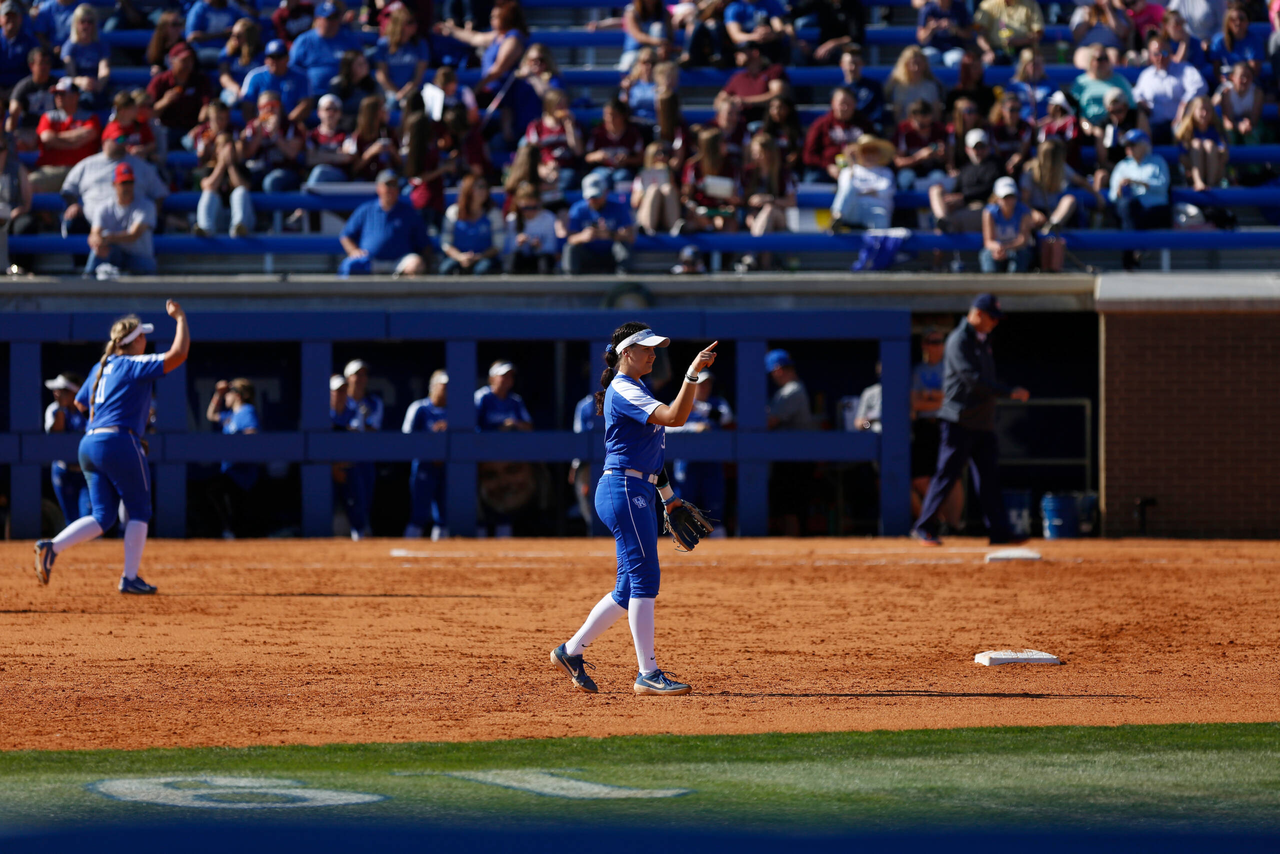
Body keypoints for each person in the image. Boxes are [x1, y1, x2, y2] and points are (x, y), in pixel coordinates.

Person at [550, 323, 718, 696]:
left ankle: (570, 651)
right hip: (624, 488)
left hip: (634, 486)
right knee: (645, 579)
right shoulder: (624, 388)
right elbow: (676, 418)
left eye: (655, 349)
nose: (653, 354)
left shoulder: (636, 388)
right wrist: (691, 375)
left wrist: (670, 497)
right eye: (647, 349)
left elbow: (651, 459)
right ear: (627, 353)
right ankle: (648, 673)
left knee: (628, 588)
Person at [34, 301, 191, 594]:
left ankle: (52, 546)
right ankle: (130, 578)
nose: (145, 339)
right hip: (118, 441)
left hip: (89, 443)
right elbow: (178, 354)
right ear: (133, 342)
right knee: (140, 509)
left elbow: (81, 403)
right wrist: (181, 318)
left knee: (103, 516)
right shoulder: (133, 363)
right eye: (142, 335)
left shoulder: (99, 367)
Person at [912, 294, 1029, 547]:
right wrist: (1008, 391)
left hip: (982, 423)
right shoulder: (958, 340)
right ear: (977, 313)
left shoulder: (982, 340)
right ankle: (924, 526)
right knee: (946, 476)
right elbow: (972, 379)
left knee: (988, 479)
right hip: (959, 421)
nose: (994, 323)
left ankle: (999, 532)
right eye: (991, 318)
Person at [667, 369, 733, 534]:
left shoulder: (718, 403)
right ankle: (680, 542)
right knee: (683, 505)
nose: (705, 388)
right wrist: (693, 428)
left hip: (712, 464)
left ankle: (720, 548)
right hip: (686, 463)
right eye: (701, 384)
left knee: (715, 506)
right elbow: (666, 426)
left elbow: (727, 418)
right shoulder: (680, 402)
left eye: (708, 384)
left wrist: (699, 408)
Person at [910, 329, 963, 528]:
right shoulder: (870, 394)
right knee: (917, 479)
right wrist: (938, 399)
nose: (936, 346)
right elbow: (861, 422)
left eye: (939, 342)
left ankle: (953, 525)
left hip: (945, 424)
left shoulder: (950, 367)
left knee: (951, 475)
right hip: (916, 429)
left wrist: (929, 395)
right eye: (932, 341)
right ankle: (937, 520)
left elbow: (952, 400)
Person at [340, 169, 431, 276]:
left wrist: (426, 261)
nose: (391, 189)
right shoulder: (366, 209)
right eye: (388, 185)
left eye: (394, 185)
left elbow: (424, 243)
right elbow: (346, 236)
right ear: (378, 188)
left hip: (399, 262)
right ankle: (348, 293)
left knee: (416, 264)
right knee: (350, 265)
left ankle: (408, 293)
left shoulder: (409, 212)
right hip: (371, 261)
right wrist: (354, 251)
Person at [331, 359, 382, 540]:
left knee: (359, 505)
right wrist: (334, 466)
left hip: (356, 462)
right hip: (331, 465)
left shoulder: (364, 406)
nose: (360, 379)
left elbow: (360, 435)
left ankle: (360, 534)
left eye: (363, 374)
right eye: (355, 374)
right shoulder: (324, 411)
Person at [204, 377, 260, 539]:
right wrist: (218, 395)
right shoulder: (231, 415)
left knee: (232, 506)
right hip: (229, 471)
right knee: (220, 497)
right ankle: (229, 530)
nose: (226, 396)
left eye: (229, 393)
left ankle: (231, 531)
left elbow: (252, 434)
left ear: (238, 395)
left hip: (242, 473)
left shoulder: (247, 411)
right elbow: (211, 415)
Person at [1108, 128, 1170, 269]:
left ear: (1144, 145)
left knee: (1128, 216)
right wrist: (1120, 190)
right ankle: (1136, 252)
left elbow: (1162, 187)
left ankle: (1130, 258)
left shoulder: (1158, 162)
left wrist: (1138, 182)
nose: (1128, 148)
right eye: (1127, 145)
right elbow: (1112, 195)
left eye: (1132, 144)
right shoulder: (1122, 166)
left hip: (1154, 211)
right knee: (1126, 208)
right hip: (1130, 210)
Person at [765, 348, 811, 537]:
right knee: (785, 506)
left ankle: (795, 549)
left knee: (791, 507)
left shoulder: (793, 390)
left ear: (778, 370)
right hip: (786, 456)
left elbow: (770, 421)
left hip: (795, 457)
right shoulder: (786, 390)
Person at [85, 162, 158, 277]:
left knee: (147, 264)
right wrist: (97, 241)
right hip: (114, 256)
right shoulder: (104, 207)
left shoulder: (146, 205)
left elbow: (133, 235)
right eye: (123, 183)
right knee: (98, 249)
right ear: (114, 184)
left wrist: (106, 237)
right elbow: (94, 234)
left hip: (139, 258)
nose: (127, 187)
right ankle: (87, 282)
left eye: (130, 182)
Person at [1133, 35, 1207, 143]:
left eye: (1164, 53)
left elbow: (1200, 86)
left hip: (1181, 124)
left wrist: (1184, 103)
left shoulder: (1184, 68)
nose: (1161, 57)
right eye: (1156, 54)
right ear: (1150, 55)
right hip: (1155, 126)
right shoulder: (1146, 75)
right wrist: (1141, 103)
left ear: (1171, 52)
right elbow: (1135, 94)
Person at [402, 368, 448, 540]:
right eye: (442, 385)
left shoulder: (456, 412)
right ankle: (408, 548)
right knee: (420, 514)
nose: (445, 390)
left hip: (446, 466)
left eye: (448, 386)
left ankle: (442, 553)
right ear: (432, 387)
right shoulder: (419, 408)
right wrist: (431, 441)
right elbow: (406, 438)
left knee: (444, 515)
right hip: (424, 466)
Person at [194, 101, 252, 236]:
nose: (225, 151)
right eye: (221, 147)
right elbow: (208, 185)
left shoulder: (241, 168)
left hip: (240, 218)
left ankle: (238, 227)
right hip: (218, 216)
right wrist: (221, 164)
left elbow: (243, 186)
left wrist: (230, 164)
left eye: (228, 146)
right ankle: (205, 228)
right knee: (209, 194)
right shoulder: (208, 168)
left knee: (240, 192)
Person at [32, 78, 100, 193]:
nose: (58, 97)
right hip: (53, 169)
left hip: (83, 170)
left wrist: (57, 138)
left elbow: (89, 133)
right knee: (28, 186)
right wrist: (75, 141)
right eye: (56, 94)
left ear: (76, 96)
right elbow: (46, 138)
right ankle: (45, 212)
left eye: (62, 94)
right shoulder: (48, 117)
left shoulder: (90, 117)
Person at [929, 127, 1004, 231]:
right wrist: (951, 201)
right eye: (975, 148)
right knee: (936, 190)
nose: (979, 151)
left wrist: (964, 197)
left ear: (988, 147)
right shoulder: (965, 169)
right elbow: (956, 191)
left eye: (982, 147)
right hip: (962, 207)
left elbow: (990, 189)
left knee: (946, 227)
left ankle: (945, 227)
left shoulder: (996, 165)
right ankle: (943, 221)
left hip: (981, 207)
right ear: (967, 149)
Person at [1022, 137, 1102, 231]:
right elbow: (1024, 201)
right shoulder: (1030, 171)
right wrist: (1033, 212)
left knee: (1069, 200)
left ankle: (1052, 226)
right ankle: (1047, 230)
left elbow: (1081, 181)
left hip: (1053, 213)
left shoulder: (1062, 168)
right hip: (1035, 212)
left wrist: (1097, 196)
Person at [562, 172, 635, 276]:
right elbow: (570, 238)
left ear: (606, 192)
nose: (594, 200)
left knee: (623, 246)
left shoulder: (619, 207)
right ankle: (570, 280)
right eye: (590, 197)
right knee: (570, 248)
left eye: (597, 196)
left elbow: (630, 236)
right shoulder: (578, 209)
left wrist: (609, 234)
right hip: (587, 254)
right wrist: (583, 236)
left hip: (611, 255)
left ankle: (623, 278)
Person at [44, 371, 89, 527]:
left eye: (62, 391)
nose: (56, 393)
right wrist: (62, 409)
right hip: (63, 470)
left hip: (86, 471)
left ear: (73, 392)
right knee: (70, 519)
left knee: (88, 517)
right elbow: (56, 434)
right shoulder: (53, 410)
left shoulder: (88, 410)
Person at [147, 43, 213, 149]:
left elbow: (206, 106)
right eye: (184, 60)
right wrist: (165, 101)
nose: (188, 64)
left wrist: (200, 126)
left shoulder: (200, 80)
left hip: (191, 128)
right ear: (172, 61)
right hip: (166, 129)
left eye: (190, 60)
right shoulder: (160, 81)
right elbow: (148, 113)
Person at [289, 2, 360, 97]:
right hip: (312, 94)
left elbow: (361, 65)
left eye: (335, 17)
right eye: (328, 18)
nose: (332, 22)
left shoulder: (349, 39)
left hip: (344, 93)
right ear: (317, 20)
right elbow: (292, 68)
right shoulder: (304, 41)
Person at [439, 172, 502, 275]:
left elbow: (498, 245)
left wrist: (479, 257)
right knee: (446, 269)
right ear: (468, 190)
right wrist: (460, 257)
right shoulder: (453, 212)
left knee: (482, 269)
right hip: (458, 257)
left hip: (485, 258)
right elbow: (446, 244)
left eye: (485, 187)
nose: (483, 191)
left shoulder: (493, 213)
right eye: (479, 187)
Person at [239, 38, 312, 123]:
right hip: (261, 124)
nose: (275, 61)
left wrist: (285, 125)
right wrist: (256, 126)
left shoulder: (300, 76)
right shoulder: (255, 76)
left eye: (279, 57)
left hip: (290, 124)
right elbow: (247, 106)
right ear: (266, 59)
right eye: (272, 57)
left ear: (287, 58)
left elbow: (306, 103)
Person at [831, 134, 896, 230]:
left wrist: (858, 191)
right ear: (859, 154)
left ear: (879, 153)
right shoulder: (848, 171)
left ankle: (879, 243)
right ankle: (837, 218)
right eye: (865, 151)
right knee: (849, 188)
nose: (869, 155)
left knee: (880, 216)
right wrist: (851, 164)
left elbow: (886, 191)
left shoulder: (886, 172)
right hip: (852, 209)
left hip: (875, 209)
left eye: (873, 151)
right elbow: (845, 188)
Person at [802, 86, 865, 183]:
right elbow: (808, 155)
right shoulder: (821, 124)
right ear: (833, 103)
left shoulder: (864, 124)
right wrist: (828, 166)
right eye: (841, 104)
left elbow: (875, 149)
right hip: (826, 170)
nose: (845, 108)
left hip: (859, 169)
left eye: (849, 104)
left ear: (855, 104)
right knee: (812, 179)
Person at [375, 6, 429, 108]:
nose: (415, 25)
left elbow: (418, 77)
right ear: (399, 25)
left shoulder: (420, 44)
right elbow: (381, 75)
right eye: (410, 22)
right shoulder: (383, 44)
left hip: (412, 91)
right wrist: (397, 94)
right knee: (391, 103)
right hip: (389, 92)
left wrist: (403, 94)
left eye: (414, 21)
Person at [721, 43, 787, 124]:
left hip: (766, 123)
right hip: (740, 126)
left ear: (755, 52)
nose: (736, 55)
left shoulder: (773, 71)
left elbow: (777, 94)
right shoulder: (738, 77)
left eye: (742, 51)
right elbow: (720, 99)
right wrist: (731, 103)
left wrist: (745, 101)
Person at [1173, 94, 1228, 191]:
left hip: (1213, 170)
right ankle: (1198, 181)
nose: (1204, 113)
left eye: (1208, 110)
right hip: (1192, 172)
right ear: (1193, 111)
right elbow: (1182, 156)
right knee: (1196, 144)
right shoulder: (1187, 131)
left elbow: (1224, 153)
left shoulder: (1216, 130)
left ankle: (1211, 184)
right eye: (1201, 110)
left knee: (1209, 144)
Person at [503, 181, 559, 274]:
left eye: (534, 207)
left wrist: (540, 246)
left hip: (539, 259)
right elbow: (506, 250)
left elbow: (552, 248)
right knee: (513, 259)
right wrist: (518, 243)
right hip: (521, 260)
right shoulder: (512, 219)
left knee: (545, 261)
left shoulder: (548, 218)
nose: (530, 212)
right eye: (525, 208)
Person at [980, 176, 1034, 273]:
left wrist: (1005, 248)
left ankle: (1015, 286)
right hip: (997, 249)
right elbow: (988, 241)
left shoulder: (1024, 212)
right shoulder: (989, 212)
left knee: (1022, 254)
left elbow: (1023, 240)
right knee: (987, 255)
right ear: (997, 198)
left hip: (1016, 249)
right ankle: (989, 287)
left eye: (1011, 196)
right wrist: (998, 248)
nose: (1009, 201)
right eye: (1005, 197)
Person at [1071, 46, 1135, 126]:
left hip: (1116, 124)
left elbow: (1131, 106)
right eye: (1099, 59)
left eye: (1106, 58)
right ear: (1091, 61)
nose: (1103, 62)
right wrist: (1086, 126)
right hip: (1087, 127)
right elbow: (1073, 109)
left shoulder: (1120, 80)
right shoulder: (1080, 82)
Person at [61, 4, 110, 108]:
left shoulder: (100, 44)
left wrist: (99, 84)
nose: (86, 25)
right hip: (78, 88)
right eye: (82, 21)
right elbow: (71, 73)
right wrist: (81, 81)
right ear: (76, 24)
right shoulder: (70, 46)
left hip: (96, 86)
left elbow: (104, 68)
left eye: (90, 22)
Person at [7, 47, 55, 150]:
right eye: (41, 63)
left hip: (53, 128)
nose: (45, 66)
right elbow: (13, 111)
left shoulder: (56, 84)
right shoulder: (24, 87)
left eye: (47, 63)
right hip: (30, 129)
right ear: (31, 65)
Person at [884, 45, 945, 123]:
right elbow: (897, 117)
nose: (916, 68)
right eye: (913, 64)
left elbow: (936, 115)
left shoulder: (931, 87)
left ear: (925, 65)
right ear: (905, 65)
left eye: (919, 64)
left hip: (928, 128)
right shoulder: (898, 87)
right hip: (906, 129)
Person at [632, 141, 682, 235]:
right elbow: (635, 202)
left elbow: (679, 199)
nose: (662, 156)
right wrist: (645, 192)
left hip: (665, 215)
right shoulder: (641, 176)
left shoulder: (671, 175)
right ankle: (648, 229)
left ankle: (674, 228)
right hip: (646, 214)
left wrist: (669, 181)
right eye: (658, 153)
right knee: (654, 189)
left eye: (665, 153)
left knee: (668, 188)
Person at [973, 0, 1044, 65]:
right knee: (986, 64)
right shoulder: (987, 5)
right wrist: (988, 51)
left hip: (1023, 50)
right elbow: (980, 35)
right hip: (995, 50)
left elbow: (1038, 34)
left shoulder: (1031, 4)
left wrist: (1019, 41)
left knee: (1030, 63)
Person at [1207, 1, 1264, 81]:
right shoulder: (1219, 41)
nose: (1238, 23)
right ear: (1227, 22)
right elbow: (1216, 70)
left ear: (1248, 21)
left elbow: (1255, 71)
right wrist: (1226, 82)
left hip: (1248, 83)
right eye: (1233, 19)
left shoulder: (1255, 40)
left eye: (1241, 19)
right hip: (1227, 84)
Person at [1215, 60, 1264, 148]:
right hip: (1232, 126)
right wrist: (1238, 126)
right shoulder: (1226, 92)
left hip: (1249, 126)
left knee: (1252, 135)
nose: (1245, 80)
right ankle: (1230, 161)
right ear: (1232, 77)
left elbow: (1254, 120)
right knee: (1229, 136)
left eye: (1248, 76)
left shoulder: (1257, 93)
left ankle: (1254, 161)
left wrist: (1247, 125)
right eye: (1241, 77)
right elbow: (1227, 121)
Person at [724, 0, 791, 63]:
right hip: (748, 46)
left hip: (770, 44)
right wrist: (755, 36)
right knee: (743, 56)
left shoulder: (771, 2)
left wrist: (771, 34)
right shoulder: (734, 8)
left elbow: (779, 28)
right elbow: (735, 36)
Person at [305, 93, 351, 183]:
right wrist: (336, 156)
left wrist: (319, 154)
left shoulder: (345, 135)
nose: (331, 113)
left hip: (340, 175)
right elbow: (310, 159)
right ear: (319, 112)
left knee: (320, 171)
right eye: (327, 109)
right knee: (319, 171)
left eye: (335, 110)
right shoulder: (312, 135)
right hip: (317, 174)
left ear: (340, 113)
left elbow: (347, 158)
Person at [1070, 0, 1131, 69]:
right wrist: (1087, 19)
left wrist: (1108, 10)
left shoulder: (1119, 11)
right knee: (1081, 56)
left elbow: (1122, 32)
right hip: (1087, 47)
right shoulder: (1082, 10)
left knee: (1112, 56)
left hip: (1109, 48)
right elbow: (1076, 36)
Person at [475, 360, 532, 432]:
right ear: (492, 378)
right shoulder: (481, 397)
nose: (508, 379)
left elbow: (529, 426)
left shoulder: (516, 400)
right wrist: (499, 428)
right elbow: (472, 425)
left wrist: (514, 424)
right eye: (503, 376)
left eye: (510, 376)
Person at [838, 46, 885, 133]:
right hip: (845, 134)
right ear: (842, 64)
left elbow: (878, 115)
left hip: (868, 133)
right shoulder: (838, 93)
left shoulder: (874, 87)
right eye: (849, 64)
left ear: (862, 64)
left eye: (856, 63)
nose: (852, 67)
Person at [103, 91, 157, 162]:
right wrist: (133, 150)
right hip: (118, 163)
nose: (136, 110)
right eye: (133, 108)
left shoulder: (141, 125)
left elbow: (152, 143)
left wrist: (144, 149)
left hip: (138, 163)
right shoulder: (113, 127)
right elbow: (117, 146)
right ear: (123, 111)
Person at [988, 92, 1033, 176]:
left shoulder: (1025, 127)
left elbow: (1021, 152)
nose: (1015, 114)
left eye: (1017, 110)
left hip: (1021, 167)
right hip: (1000, 167)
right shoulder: (995, 130)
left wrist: (1012, 163)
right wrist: (1006, 166)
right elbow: (997, 154)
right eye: (1011, 109)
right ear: (1002, 110)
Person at [917, 0, 973, 68]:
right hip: (933, 48)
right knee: (920, 59)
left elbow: (969, 35)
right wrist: (930, 29)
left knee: (957, 61)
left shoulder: (960, 7)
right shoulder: (928, 8)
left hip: (954, 48)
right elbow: (921, 39)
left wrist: (955, 29)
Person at [0, 1, 39, 91]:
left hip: (23, 91)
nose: (11, 20)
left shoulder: (30, 41)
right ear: (0, 19)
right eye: (7, 16)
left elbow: (35, 70)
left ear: (20, 19)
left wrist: (16, 92)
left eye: (14, 16)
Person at [1006, 48, 1051, 122]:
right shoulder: (1014, 85)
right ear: (1024, 65)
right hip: (1021, 126)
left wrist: (1044, 121)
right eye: (1034, 64)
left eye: (1040, 63)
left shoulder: (1050, 85)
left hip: (1045, 126)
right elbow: (1007, 109)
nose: (1038, 67)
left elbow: (1057, 111)